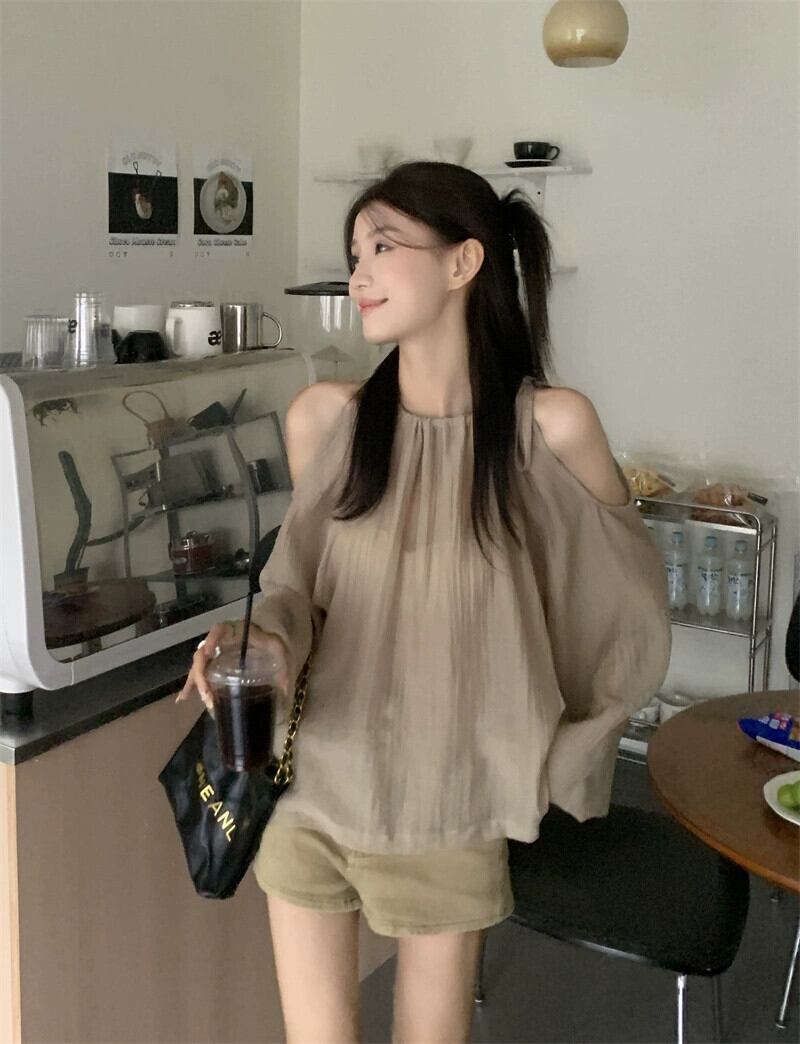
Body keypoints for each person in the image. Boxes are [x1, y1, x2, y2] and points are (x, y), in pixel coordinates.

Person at [179, 161, 671, 1044]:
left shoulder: (549, 431)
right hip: (307, 786)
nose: (358, 274)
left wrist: (558, 752)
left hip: (449, 809)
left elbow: (621, 615)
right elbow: (302, 592)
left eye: (382, 247)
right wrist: (266, 642)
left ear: (463, 262)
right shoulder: (325, 419)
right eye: (354, 255)